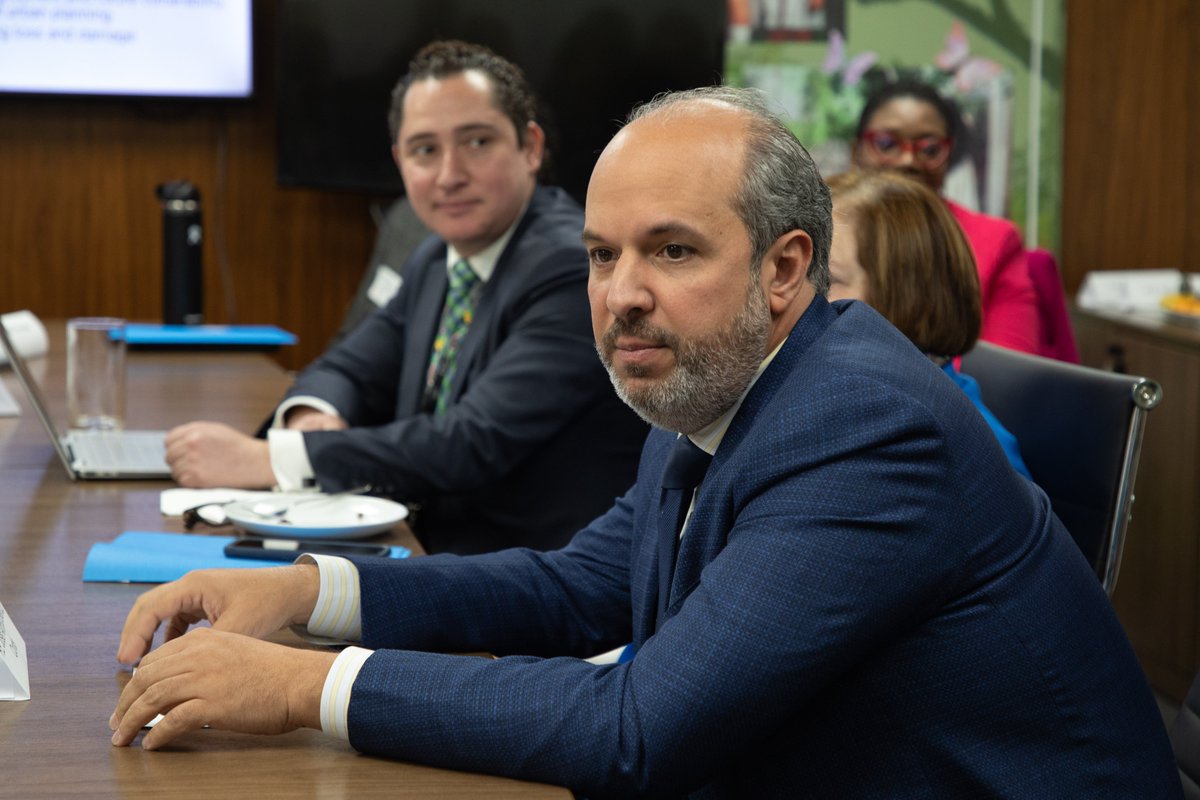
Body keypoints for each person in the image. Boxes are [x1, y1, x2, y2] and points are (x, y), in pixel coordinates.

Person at [110, 87, 1182, 798]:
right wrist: (307, 592)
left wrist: (303, 685)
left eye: (672, 249)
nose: (623, 295)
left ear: (784, 268)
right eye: (602, 254)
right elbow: (580, 586)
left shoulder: (864, 424)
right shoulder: (714, 374)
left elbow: (640, 724)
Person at [164, 41, 647, 554]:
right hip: (431, 549)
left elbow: (469, 442)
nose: (449, 175)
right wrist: (310, 417)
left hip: (537, 581)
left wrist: (277, 458)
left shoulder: (568, 263)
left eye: (477, 142)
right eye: (424, 150)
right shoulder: (434, 257)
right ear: (400, 162)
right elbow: (349, 367)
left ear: (530, 147)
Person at [826, 168, 1032, 479]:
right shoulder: (849, 394)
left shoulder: (944, 448)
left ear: (905, 296)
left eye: (825, 280)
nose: (789, 293)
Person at [852, 78, 1044, 356]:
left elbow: (1010, 373)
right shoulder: (828, 231)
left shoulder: (993, 242)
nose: (908, 160)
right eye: (887, 143)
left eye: (929, 149)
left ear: (949, 154)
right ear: (856, 151)